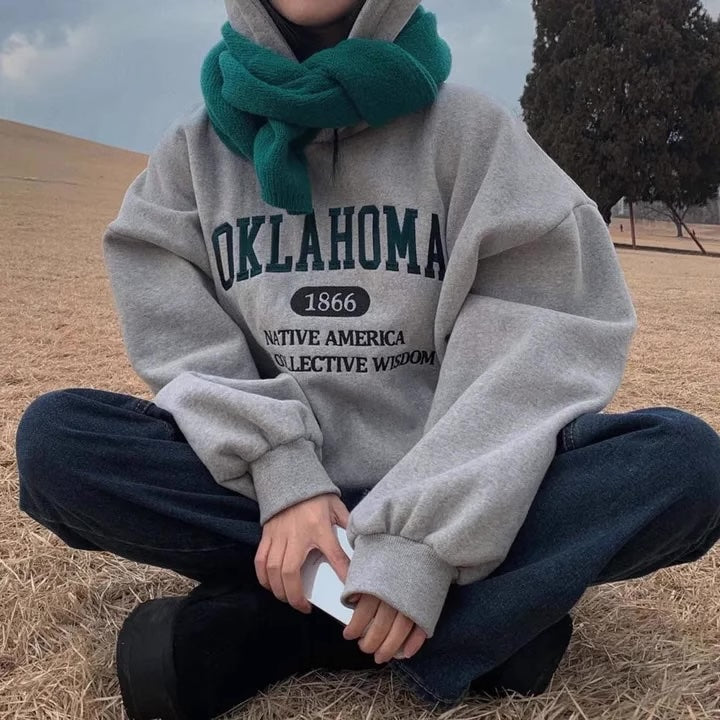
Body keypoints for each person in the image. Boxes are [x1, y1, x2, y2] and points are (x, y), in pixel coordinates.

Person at [14, 1, 720, 719]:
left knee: (684, 464)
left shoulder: (471, 133)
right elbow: (182, 339)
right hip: (265, 493)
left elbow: (534, 343)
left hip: (454, 487)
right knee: (60, 443)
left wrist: (422, 539)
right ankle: (472, 621)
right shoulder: (193, 153)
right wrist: (285, 477)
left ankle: (281, 628)